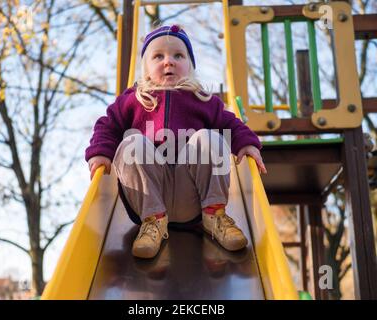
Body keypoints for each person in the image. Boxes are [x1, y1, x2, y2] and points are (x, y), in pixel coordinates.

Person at [85, 25, 266, 259]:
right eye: (158, 56)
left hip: (192, 195)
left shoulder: (203, 100)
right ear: (146, 68)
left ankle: (215, 215)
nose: (168, 61)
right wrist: (100, 152)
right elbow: (107, 126)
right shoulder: (133, 100)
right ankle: (153, 224)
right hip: (148, 198)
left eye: (178, 56)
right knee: (131, 143)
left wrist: (247, 143)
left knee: (210, 137)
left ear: (190, 66)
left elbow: (232, 124)